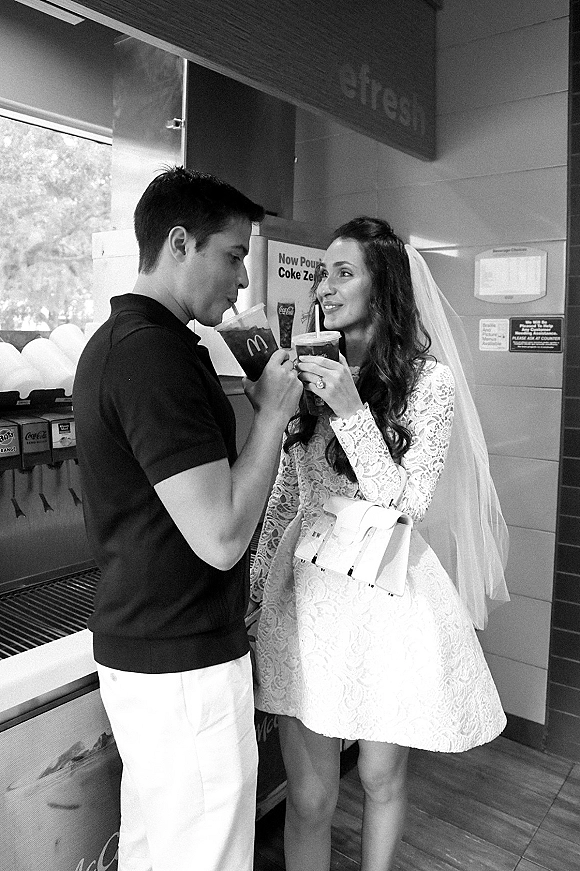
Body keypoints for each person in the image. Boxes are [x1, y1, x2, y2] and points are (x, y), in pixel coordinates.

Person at [249, 216, 510, 871]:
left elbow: (408, 503)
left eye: (344, 272)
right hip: (306, 600)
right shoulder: (309, 374)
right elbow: (286, 497)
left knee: (380, 777)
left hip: (385, 600)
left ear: (383, 284)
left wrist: (351, 412)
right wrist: (253, 598)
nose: (325, 285)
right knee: (308, 799)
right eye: (320, 272)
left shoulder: (430, 385)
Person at [74, 166, 302, 871]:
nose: (241, 281)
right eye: (233, 255)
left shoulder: (137, 343)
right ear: (179, 242)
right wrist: (271, 415)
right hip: (181, 665)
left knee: (155, 851)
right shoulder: (151, 356)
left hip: (152, 651)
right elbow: (224, 535)